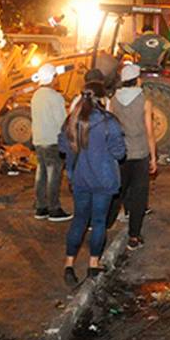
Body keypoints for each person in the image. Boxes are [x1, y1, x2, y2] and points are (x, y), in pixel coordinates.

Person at [58, 70, 126, 286]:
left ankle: (68, 265)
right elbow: (119, 153)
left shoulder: (72, 120)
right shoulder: (109, 122)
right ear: (103, 98)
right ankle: (93, 265)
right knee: (98, 222)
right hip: (103, 180)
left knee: (79, 220)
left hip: (80, 179)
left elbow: (62, 147)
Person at [107, 63, 158, 250]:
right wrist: (153, 157)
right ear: (137, 80)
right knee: (138, 196)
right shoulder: (145, 101)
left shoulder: (113, 100)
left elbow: (110, 126)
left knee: (117, 192)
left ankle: (104, 224)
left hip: (120, 154)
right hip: (140, 153)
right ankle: (134, 236)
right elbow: (150, 132)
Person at [30, 63, 71, 222]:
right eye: (56, 76)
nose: (57, 79)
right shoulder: (55, 96)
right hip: (53, 141)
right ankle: (54, 209)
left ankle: (41, 208)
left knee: (41, 174)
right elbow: (62, 122)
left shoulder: (36, 96)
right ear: (52, 78)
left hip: (39, 140)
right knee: (54, 175)